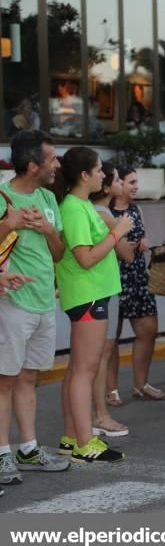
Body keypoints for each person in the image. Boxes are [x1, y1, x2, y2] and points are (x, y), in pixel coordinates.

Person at [0, 130, 70, 483]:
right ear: (32, 166)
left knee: (29, 378)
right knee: (5, 381)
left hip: (44, 301)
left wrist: (47, 230)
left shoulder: (47, 197)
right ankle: (2, 456)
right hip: (10, 303)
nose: (57, 165)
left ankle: (28, 448)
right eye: (51, 159)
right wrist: (6, 225)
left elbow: (58, 254)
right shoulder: (2, 196)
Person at [56, 146, 133, 463]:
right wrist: (117, 234)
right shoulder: (74, 207)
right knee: (84, 370)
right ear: (84, 175)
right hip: (87, 293)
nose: (104, 175)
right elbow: (85, 257)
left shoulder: (82, 205)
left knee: (79, 369)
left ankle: (72, 438)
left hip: (93, 292)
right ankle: (84, 442)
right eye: (99, 170)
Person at [106, 167, 162, 404]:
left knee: (148, 330)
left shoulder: (136, 209)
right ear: (117, 184)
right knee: (112, 336)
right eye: (130, 182)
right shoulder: (104, 213)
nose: (135, 186)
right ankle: (111, 389)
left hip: (138, 275)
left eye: (136, 182)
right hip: (114, 276)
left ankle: (141, 383)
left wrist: (143, 244)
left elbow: (142, 236)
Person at [89, 162, 134, 438]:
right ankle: (100, 415)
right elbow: (126, 255)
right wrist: (123, 230)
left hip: (97, 288)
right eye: (117, 180)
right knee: (100, 357)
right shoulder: (105, 215)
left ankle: (95, 415)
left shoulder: (90, 210)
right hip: (103, 289)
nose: (120, 184)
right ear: (106, 186)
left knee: (95, 358)